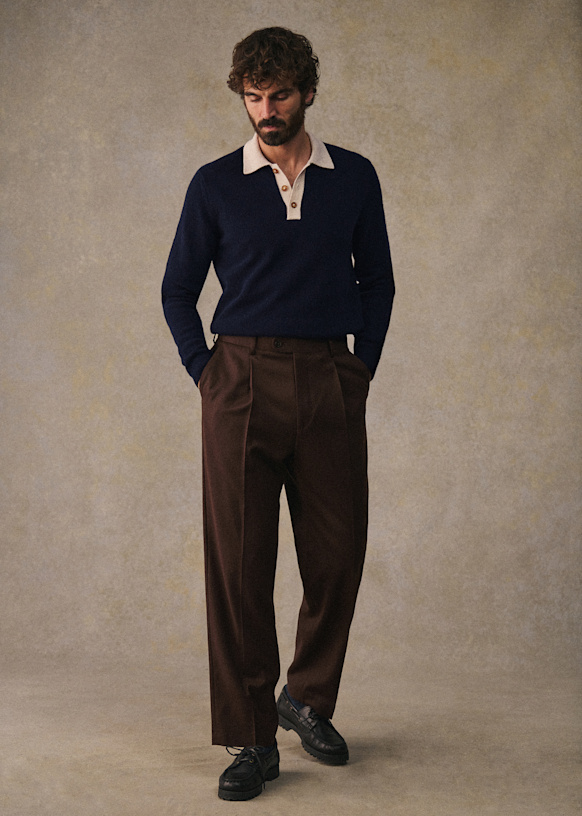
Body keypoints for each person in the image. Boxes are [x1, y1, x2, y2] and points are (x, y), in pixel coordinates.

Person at [162, 26, 395, 801]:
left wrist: (358, 370)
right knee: (239, 567)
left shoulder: (353, 177)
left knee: (338, 554)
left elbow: (378, 282)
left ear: (307, 94)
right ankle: (252, 738)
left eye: (280, 95)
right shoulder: (214, 184)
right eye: (253, 97)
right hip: (240, 379)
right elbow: (177, 289)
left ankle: (306, 697)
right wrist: (208, 375)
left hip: (329, 376)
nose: (266, 111)